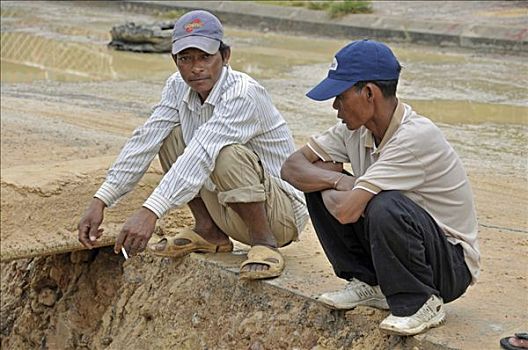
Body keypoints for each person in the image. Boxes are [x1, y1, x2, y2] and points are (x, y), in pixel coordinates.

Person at [77, 10, 308, 280]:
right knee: (169, 136)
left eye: (205, 57)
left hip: (279, 216)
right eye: (185, 59)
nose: (196, 67)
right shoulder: (177, 87)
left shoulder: (243, 94)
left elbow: (200, 153)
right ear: (175, 60)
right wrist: (101, 200)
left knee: (225, 153)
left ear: (225, 56)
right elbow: (145, 139)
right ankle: (209, 230)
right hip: (228, 208)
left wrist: (150, 212)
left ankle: (264, 243)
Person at [281, 39, 479, 335]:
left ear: (369, 93)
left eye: (340, 96)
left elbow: (347, 211)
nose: (335, 107)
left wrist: (328, 181)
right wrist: (337, 179)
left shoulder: (414, 137)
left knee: (382, 203)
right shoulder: (354, 129)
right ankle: (370, 282)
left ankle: (421, 300)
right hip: (407, 247)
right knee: (324, 180)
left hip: (449, 264)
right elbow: (291, 168)